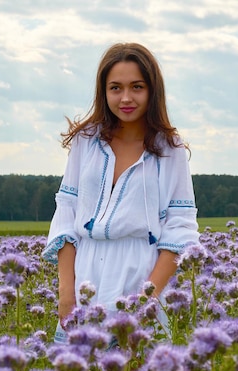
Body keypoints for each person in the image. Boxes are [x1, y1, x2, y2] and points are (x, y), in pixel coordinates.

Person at [42, 42, 200, 342]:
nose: (126, 97)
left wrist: (145, 300)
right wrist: (66, 293)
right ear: (104, 92)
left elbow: (180, 228)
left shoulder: (171, 149)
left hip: (141, 276)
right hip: (85, 275)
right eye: (115, 88)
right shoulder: (85, 142)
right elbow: (66, 214)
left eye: (137, 87)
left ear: (152, 91)